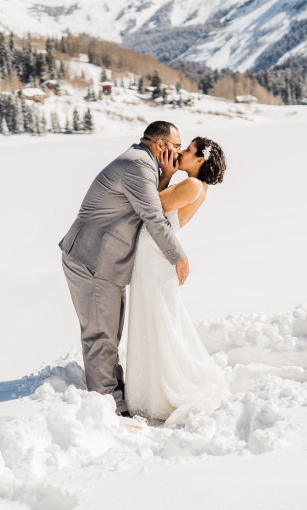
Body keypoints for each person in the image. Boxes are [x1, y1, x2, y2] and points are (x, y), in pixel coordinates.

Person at [59, 121, 188, 417]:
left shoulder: (142, 164)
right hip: (91, 259)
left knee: (109, 333)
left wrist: (166, 175)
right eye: (177, 146)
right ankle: (109, 410)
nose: (179, 152)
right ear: (160, 146)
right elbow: (153, 217)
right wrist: (178, 257)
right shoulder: (138, 166)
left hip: (103, 261)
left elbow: (146, 201)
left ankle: (112, 398)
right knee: (100, 336)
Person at [125, 136, 229, 426]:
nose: (180, 152)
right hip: (153, 255)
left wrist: (166, 173)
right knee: (154, 317)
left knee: (158, 319)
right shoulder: (194, 185)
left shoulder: (194, 185)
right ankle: (149, 387)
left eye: (188, 150)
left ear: (199, 161)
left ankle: (162, 390)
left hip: (156, 257)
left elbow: (152, 203)